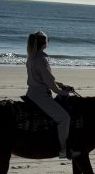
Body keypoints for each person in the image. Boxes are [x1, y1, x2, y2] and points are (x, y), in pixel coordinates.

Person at [26, 31, 80, 159]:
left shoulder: (31, 57)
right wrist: (63, 92)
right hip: (41, 97)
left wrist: (60, 85)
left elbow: (44, 79)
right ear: (44, 43)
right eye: (47, 40)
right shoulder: (41, 59)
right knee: (64, 119)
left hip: (31, 93)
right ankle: (63, 150)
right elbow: (50, 84)